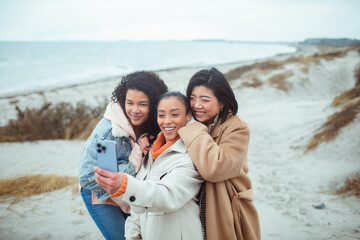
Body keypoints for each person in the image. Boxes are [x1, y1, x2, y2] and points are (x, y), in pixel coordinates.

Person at [95, 91, 203, 240]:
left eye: (175, 114)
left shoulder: (190, 156)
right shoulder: (151, 151)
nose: (167, 121)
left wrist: (125, 186)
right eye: (161, 115)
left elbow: (166, 196)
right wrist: (132, 236)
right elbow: (136, 211)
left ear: (188, 115)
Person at [78, 71, 168, 240]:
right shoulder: (107, 131)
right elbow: (86, 177)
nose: (135, 110)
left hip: (126, 191)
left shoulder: (152, 124)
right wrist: (134, 161)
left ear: (154, 105)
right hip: (99, 194)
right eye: (130, 103)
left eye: (142, 104)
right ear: (122, 100)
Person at [178, 67, 261, 240]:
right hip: (192, 206)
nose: (196, 105)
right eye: (192, 98)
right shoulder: (185, 123)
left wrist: (194, 128)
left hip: (225, 209)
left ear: (221, 102)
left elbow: (215, 169)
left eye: (205, 99)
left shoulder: (236, 127)